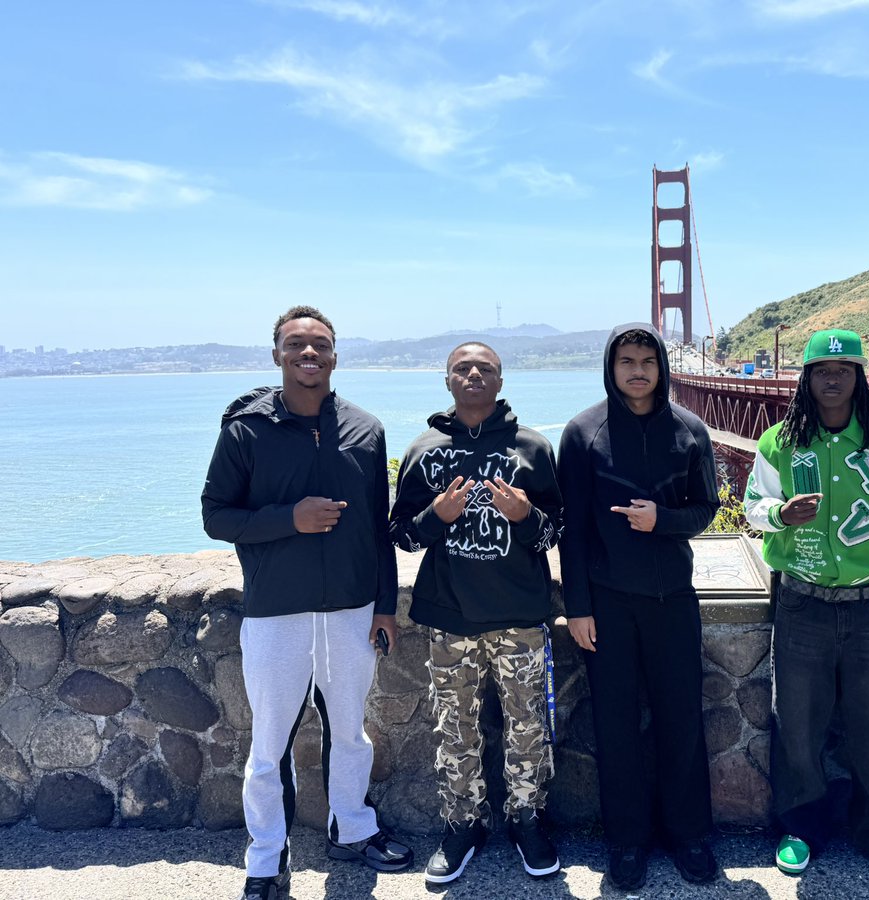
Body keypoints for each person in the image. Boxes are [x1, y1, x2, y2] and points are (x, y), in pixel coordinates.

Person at [201, 306, 411, 900]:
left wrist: (384, 606)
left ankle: (353, 830)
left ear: (336, 355)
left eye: (320, 343)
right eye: (296, 344)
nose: (308, 353)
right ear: (277, 355)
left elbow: (378, 529)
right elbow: (217, 516)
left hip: (351, 610)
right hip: (277, 612)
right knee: (269, 747)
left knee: (350, 733)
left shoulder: (366, 429)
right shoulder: (245, 430)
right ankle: (267, 860)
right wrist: (289, 519)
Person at [743, 328, 869, 880]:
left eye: (844, 370)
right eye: (822, 370)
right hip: (802, 605)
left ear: (860, 377)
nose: (833, 379)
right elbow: (752, 505)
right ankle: (801, 829)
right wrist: (780, 515)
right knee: (798, 725)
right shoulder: (779, 441)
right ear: (807, 379)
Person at [389, 341, 563, 885]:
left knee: (528, 726)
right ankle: (463, 825)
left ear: (500, 381)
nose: (472, 375)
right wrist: (436, 516)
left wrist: (526, 515)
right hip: (450, 619)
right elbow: (401, 535)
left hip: (520, 617)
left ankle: (527, 820)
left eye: (484, 368)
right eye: (461, 368)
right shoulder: (423, 451)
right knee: (455, 729)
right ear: (447, 380)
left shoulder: (533, 447)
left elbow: (556, 532)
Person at [558, 323, 721, 891]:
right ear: (611, 366)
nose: (637, 370)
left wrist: (662, 520)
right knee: (615, 723)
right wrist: (578, 607)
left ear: (662, 367)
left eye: (648, 361)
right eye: (626, 360)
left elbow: (706, 509)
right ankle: (626, 841)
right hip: (608, 603)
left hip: (673, 599)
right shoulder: (583, 432)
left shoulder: (690, 430)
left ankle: (689, 835)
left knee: (682, 719)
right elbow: (572, 530)